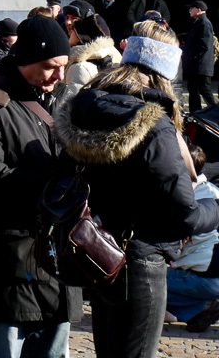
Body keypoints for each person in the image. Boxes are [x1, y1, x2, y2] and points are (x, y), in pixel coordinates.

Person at [55, 19, 219, 357]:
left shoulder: (86, 106)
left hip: (98, 250)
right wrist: (215, 208)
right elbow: (184, 213)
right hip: (141, 258)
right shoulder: (154, 124)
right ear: (164, 71)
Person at [0, 16, 80, 356]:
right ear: (25, 60)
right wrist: (54, 182)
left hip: (59, 255)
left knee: (54, 351)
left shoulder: (64, 99)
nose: (58, 76)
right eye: (49, 67)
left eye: (63, 66)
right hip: (11, 254)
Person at [165, 144, 219, 332]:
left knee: (138, 281)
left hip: (206, 276)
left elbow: (173, 250)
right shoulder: (212, 190)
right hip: (212, 273)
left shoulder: (184, 198)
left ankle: (195, 308)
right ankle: (196, 311)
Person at [63, 14, 119, 91]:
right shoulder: (113, 54)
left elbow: (68, 101)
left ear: (80, 36)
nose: (70, 32)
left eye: (74, 30)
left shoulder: (79, 67)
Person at [184, 0, 215, 113]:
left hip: (201, 66)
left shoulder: (204, 23)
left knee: (204, 90)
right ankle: (195, 114)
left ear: (199, 10)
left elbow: (204, 45)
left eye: (191, 8)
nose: (189, 10)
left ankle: (215, 112)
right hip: (196, 66)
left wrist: (193, 58)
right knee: (193, 90)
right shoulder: (198, 22)